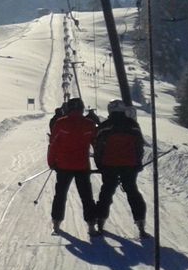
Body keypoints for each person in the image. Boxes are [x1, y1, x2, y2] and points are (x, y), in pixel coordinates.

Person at [93, 100, 148, 238]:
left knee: (106, 192)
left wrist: (100, 164)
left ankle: (100, 222)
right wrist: (137, 163)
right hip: (129, 165)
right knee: (132, 192)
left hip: (109, 165)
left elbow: (98, 147)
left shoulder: (104, 126)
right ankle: (140, 224)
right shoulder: (133, 125)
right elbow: (139, 146)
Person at [47, 97, 99, 235]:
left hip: (63, 166)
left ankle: (56, 224)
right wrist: (101, 163)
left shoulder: (60, 123)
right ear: (82, 109)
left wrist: (51, 162)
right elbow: (97, 144)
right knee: (86, 196)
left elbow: (53, 144)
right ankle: (91, 225)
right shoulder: (89, 124)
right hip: (82, 166)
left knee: (60, 195)